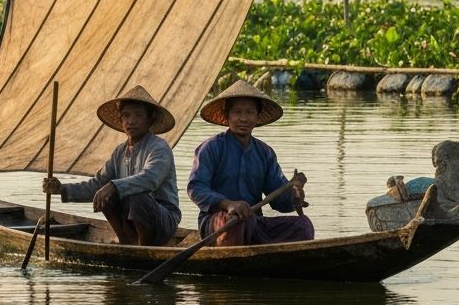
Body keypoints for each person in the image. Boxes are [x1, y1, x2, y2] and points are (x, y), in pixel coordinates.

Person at [43, 85, 180, 246]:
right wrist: (61, 189)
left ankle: (145, 248)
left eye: (138, 115)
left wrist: (113, 186)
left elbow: (150, 179)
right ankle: (126, 241)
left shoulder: (159, 147)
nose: (131, 121)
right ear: (121, 120)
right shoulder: (120, 152)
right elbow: (97, 185)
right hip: (130, 221)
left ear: (149, 119)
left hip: (163, 220)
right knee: (106, 195)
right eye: (126, 116)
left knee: (137, 196)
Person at [187, 80, 313, 246]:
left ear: (257, 116)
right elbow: (196, 188)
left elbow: (278, 200)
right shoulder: (211, 148)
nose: (243, 118)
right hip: (216, 223)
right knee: (236, 222)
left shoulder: (265, 153)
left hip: (253, 222)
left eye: (250, 112)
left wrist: (294, 193)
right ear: (227, 116)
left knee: (303, 226)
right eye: (237, 112)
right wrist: (228, 204)